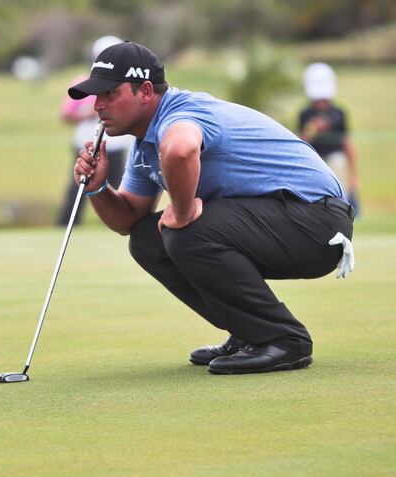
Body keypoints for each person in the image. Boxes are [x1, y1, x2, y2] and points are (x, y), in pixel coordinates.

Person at [70, 42, 355, 375]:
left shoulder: (184, 112)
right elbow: (127, 219)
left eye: (108, 93)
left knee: (186, 232)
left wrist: (183, 209)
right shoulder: (143, 146)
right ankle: (250, 331)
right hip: (284, 220)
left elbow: (180, 149)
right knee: (147, 240)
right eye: (95, 95)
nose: (97, 105)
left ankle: (285, 340)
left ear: (145, 91)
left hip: (317, 220)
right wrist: (99, 188)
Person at [57, 35, 133, 226]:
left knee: (117, 190)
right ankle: (65, 224)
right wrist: (88, 114)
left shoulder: (126, 86)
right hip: (85, 142)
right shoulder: (82, 82)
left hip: (115, 144)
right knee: (78, 188)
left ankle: (116, 226)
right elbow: (65, 115)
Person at [298, 63, 361, 216]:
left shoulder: (339, 113)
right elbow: (302, 142)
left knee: (338, 165)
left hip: (335, 160)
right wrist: (312, 129)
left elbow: (347, 144)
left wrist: (354, 175)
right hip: (315, 159)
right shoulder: (305, 114)